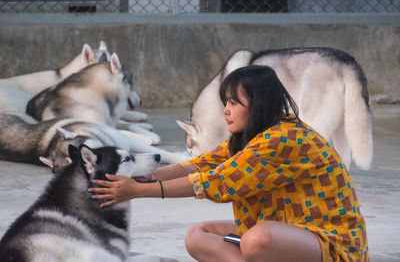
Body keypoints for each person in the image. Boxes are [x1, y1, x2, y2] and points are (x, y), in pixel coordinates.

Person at [89, 65, 369, 262]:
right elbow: (200, 166)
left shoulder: (284, 139)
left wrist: (138, 191)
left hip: (330, 245)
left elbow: (220, 182)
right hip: (281, 233)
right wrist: (142, 177)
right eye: (226, 102)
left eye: (234, 103)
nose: (225, 110)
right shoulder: (250, 136)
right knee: (197, 235)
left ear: (257, 105)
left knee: (257, 240)